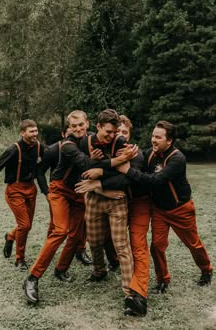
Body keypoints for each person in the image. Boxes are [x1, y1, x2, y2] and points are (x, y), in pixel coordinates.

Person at [23, 110, 135, 304]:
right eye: (73, 126)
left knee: (77, 235)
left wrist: (111, 158)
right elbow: (86, 163)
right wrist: (119, 160)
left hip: (79, 192)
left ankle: (61, 269)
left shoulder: (92, 139)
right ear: (68, 128)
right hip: (60, 189)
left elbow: (99, 159)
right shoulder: (67, 145)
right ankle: (32, 278)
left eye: (81, 125)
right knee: (60, 230)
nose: (78, 129)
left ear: (88, 124)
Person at [117, 120, 213, 295]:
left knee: (193, 243)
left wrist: (127, 171)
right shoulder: (150, 154)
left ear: (169, 141)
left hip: (180, 210)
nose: (153, 140)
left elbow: (155, 181)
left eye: (158, 137)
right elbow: (138, 160)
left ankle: (206, 269)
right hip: (160, 210)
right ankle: (163, 280)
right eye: (153, 136)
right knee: (157, 246)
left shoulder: (177, 159)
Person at [76, 114, 151, 317]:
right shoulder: (86, 141)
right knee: (94, 240)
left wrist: (100, 175)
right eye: (108, 131)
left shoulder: (123, 145)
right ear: (97, 126)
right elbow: (84, 170)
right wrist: (104, 174)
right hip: (93, 198)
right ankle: (99, 270)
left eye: (116, 132)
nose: (113, 136)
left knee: (121, 246)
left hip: (118, 200)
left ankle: (129, 292)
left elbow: (125, 178)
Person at [0, 119, 44, 271]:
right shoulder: (13, 149)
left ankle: (10, 236)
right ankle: (20, 259)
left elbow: (53, 156)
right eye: (31, 131)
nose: (35, 134)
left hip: (31, 189)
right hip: (14, 190)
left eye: (36, 131)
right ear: (23, 133)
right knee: (25, 225)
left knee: (26, 226)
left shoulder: (39, 147)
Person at [38, 124, 92, 265]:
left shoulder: (85, 143)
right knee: (58, 228)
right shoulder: (53, 150)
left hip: (77, 190)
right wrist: (47, 193)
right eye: (71, 132)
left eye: (80, 129)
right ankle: (48, 253)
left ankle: (80, 251)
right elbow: (39, 172)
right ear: (64, 135)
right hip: (58, 190)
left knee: (80, 225)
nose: (76, 133)